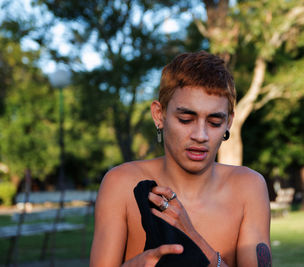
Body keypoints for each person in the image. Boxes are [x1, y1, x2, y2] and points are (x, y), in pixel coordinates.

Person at [90, 51, 271, 267]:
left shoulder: (248, 187)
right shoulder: (121, 183)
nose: (201, 135)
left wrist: (192, 239)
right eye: (186, 119)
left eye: (214, 122)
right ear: (159, 114)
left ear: (228, 122)